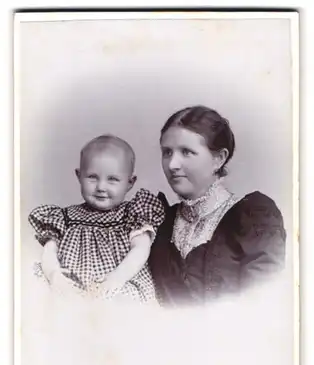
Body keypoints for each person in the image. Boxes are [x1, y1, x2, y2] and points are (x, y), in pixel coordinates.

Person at [149, 105, 286, 307]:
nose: (172, 165)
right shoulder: (158, 221)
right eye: (167, 152)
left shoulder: (254, 218)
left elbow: (262, 306)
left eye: (186, 152)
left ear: (218, 159)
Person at [28, 134, 165, 303]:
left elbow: (141, 249)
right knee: (38, 289)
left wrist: (118, 278)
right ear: (79, 176)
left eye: (113, 179)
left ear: (130, 182)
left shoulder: (133, 214)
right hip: (70, 284)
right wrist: (54, 274)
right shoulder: (63, 218)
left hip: (117, 282)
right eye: (92, 177)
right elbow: (49, 251)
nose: (101, 187)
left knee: (124, 302)